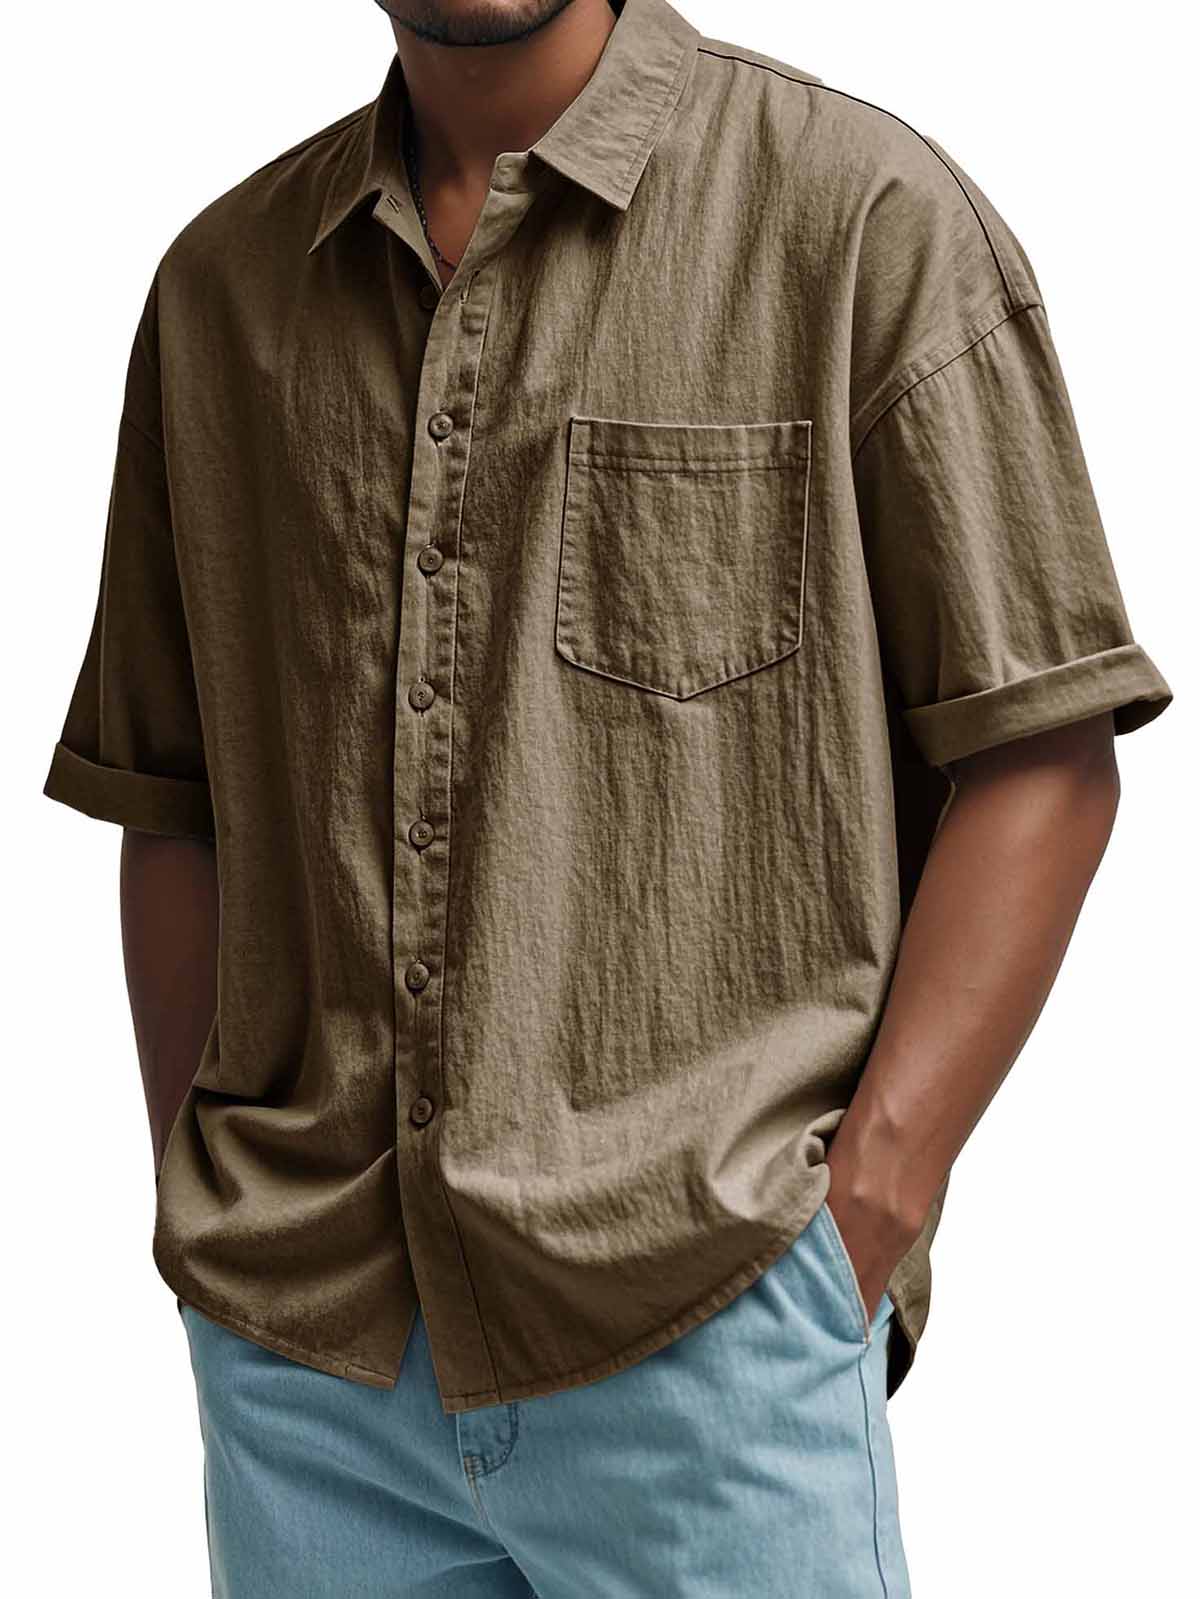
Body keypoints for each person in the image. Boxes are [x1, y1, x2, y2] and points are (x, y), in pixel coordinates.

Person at [43, 0, 1173, 1593]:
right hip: (310, 1374)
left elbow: (1041, 748)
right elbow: (174, 798)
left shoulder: (861, 218)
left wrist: (865, 1207)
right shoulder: (222, 291)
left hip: (708, 1330)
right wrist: (210, 1201)